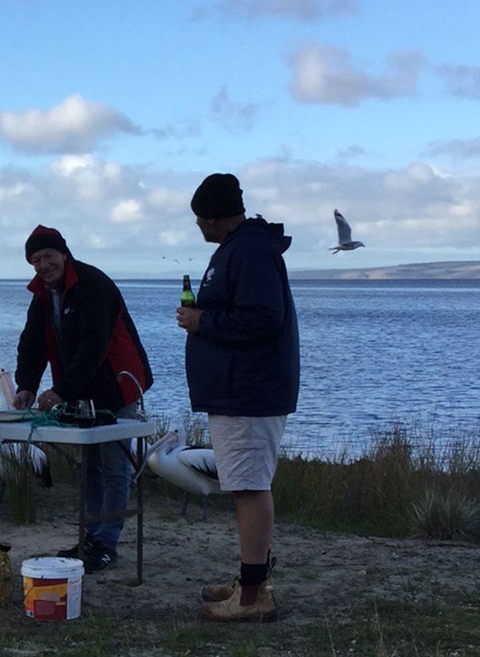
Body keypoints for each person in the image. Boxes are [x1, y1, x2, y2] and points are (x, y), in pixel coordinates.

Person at [176, 173, 299, 622]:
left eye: (199, 219)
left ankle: (252, 597)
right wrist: (202, 318)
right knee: (244, 485)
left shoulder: (250, 250)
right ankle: (250, 579)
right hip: (235, 390)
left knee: (249, 487)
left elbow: (265, 317)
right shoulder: (238, 249)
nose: (198, 228)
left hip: (250, 390)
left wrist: (202, 323)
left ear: (212, 217)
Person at [13, 225, 152, 573]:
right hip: (81, 391)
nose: (42, 266)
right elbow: (31, 341)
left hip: (117, 385)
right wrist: (26, 385)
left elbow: (94, 346)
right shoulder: (42, 295)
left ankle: (107, 542)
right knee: (88, 466)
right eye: (35, 261)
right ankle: (90, 535)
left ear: (64, 253)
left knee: (113, 465)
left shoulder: (94, 285)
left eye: (47, 256)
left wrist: (61, 391)